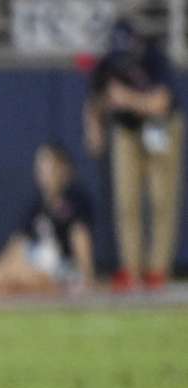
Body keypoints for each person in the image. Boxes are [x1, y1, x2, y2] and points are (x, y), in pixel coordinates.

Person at [83, 19, 183, 292]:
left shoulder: (154, 58)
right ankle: (131, 268)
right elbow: (94, 100)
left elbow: (161, 103)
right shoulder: (108, 64)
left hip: (161, 128)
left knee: (161, 199)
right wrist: (94, 130)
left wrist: (127, 99)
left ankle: (157, 269)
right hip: (127, 129)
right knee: (127, 200)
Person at [0, 143, 95, 297]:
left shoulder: (75, 200)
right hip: (40, 263)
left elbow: (80, 237)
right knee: (11, 265)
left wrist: (87, 275)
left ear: (64, 169)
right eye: (40, 167)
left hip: (63, 269)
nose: (42, 173)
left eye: (48, 167)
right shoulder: (38, 205)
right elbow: (18, 243)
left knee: (19, 274)